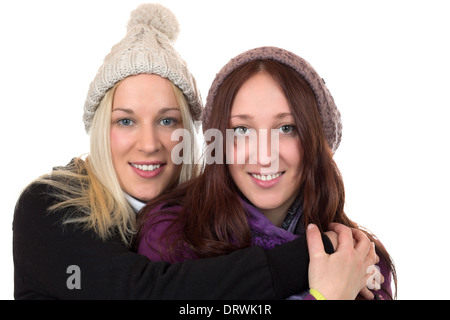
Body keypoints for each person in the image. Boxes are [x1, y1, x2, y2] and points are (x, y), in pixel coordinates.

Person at [13, 4, 342, 300]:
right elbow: (145, 290)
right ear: (101, 130)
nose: (149, 143)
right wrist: (322, 254)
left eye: (167, 120)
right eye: (125, 120)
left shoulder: (205, 217)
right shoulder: (53, 204)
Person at [137, 47, 397, 300]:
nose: (264, 155)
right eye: (242, 130)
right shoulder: (170, 238)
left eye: (286, 128)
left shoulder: (361, 257)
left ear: (316, 142)